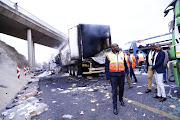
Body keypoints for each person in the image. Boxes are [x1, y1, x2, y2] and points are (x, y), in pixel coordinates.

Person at [105, 43, 129, 115]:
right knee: (114, 91)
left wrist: (127, 71)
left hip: (121, 74)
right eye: (116, 46)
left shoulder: (122, 54)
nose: (118, 47)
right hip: (113, 75)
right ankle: (115, 107)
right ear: (112, 48)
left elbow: (125, 64)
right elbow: (106, 67)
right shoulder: (108, 55)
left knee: (121, 88)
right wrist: (108, 77)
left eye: (118, 45)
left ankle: (121, 100)